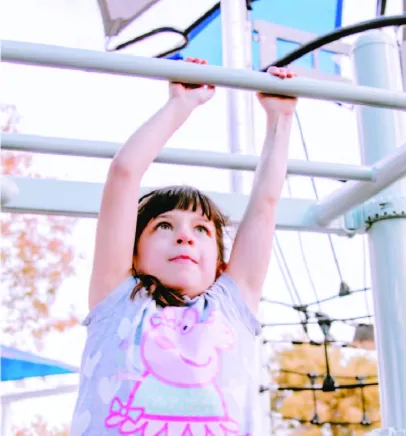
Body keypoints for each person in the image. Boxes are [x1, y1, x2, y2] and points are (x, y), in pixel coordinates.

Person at [70, 59, 298, 436]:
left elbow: (264, 206)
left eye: (202, 230)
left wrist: (281, 117)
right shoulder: (120, 299)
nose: (185, 236)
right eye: (164, 225)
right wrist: (182, 103)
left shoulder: (230, 305)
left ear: (221, 264)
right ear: (133, 252)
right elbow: (124, 173)